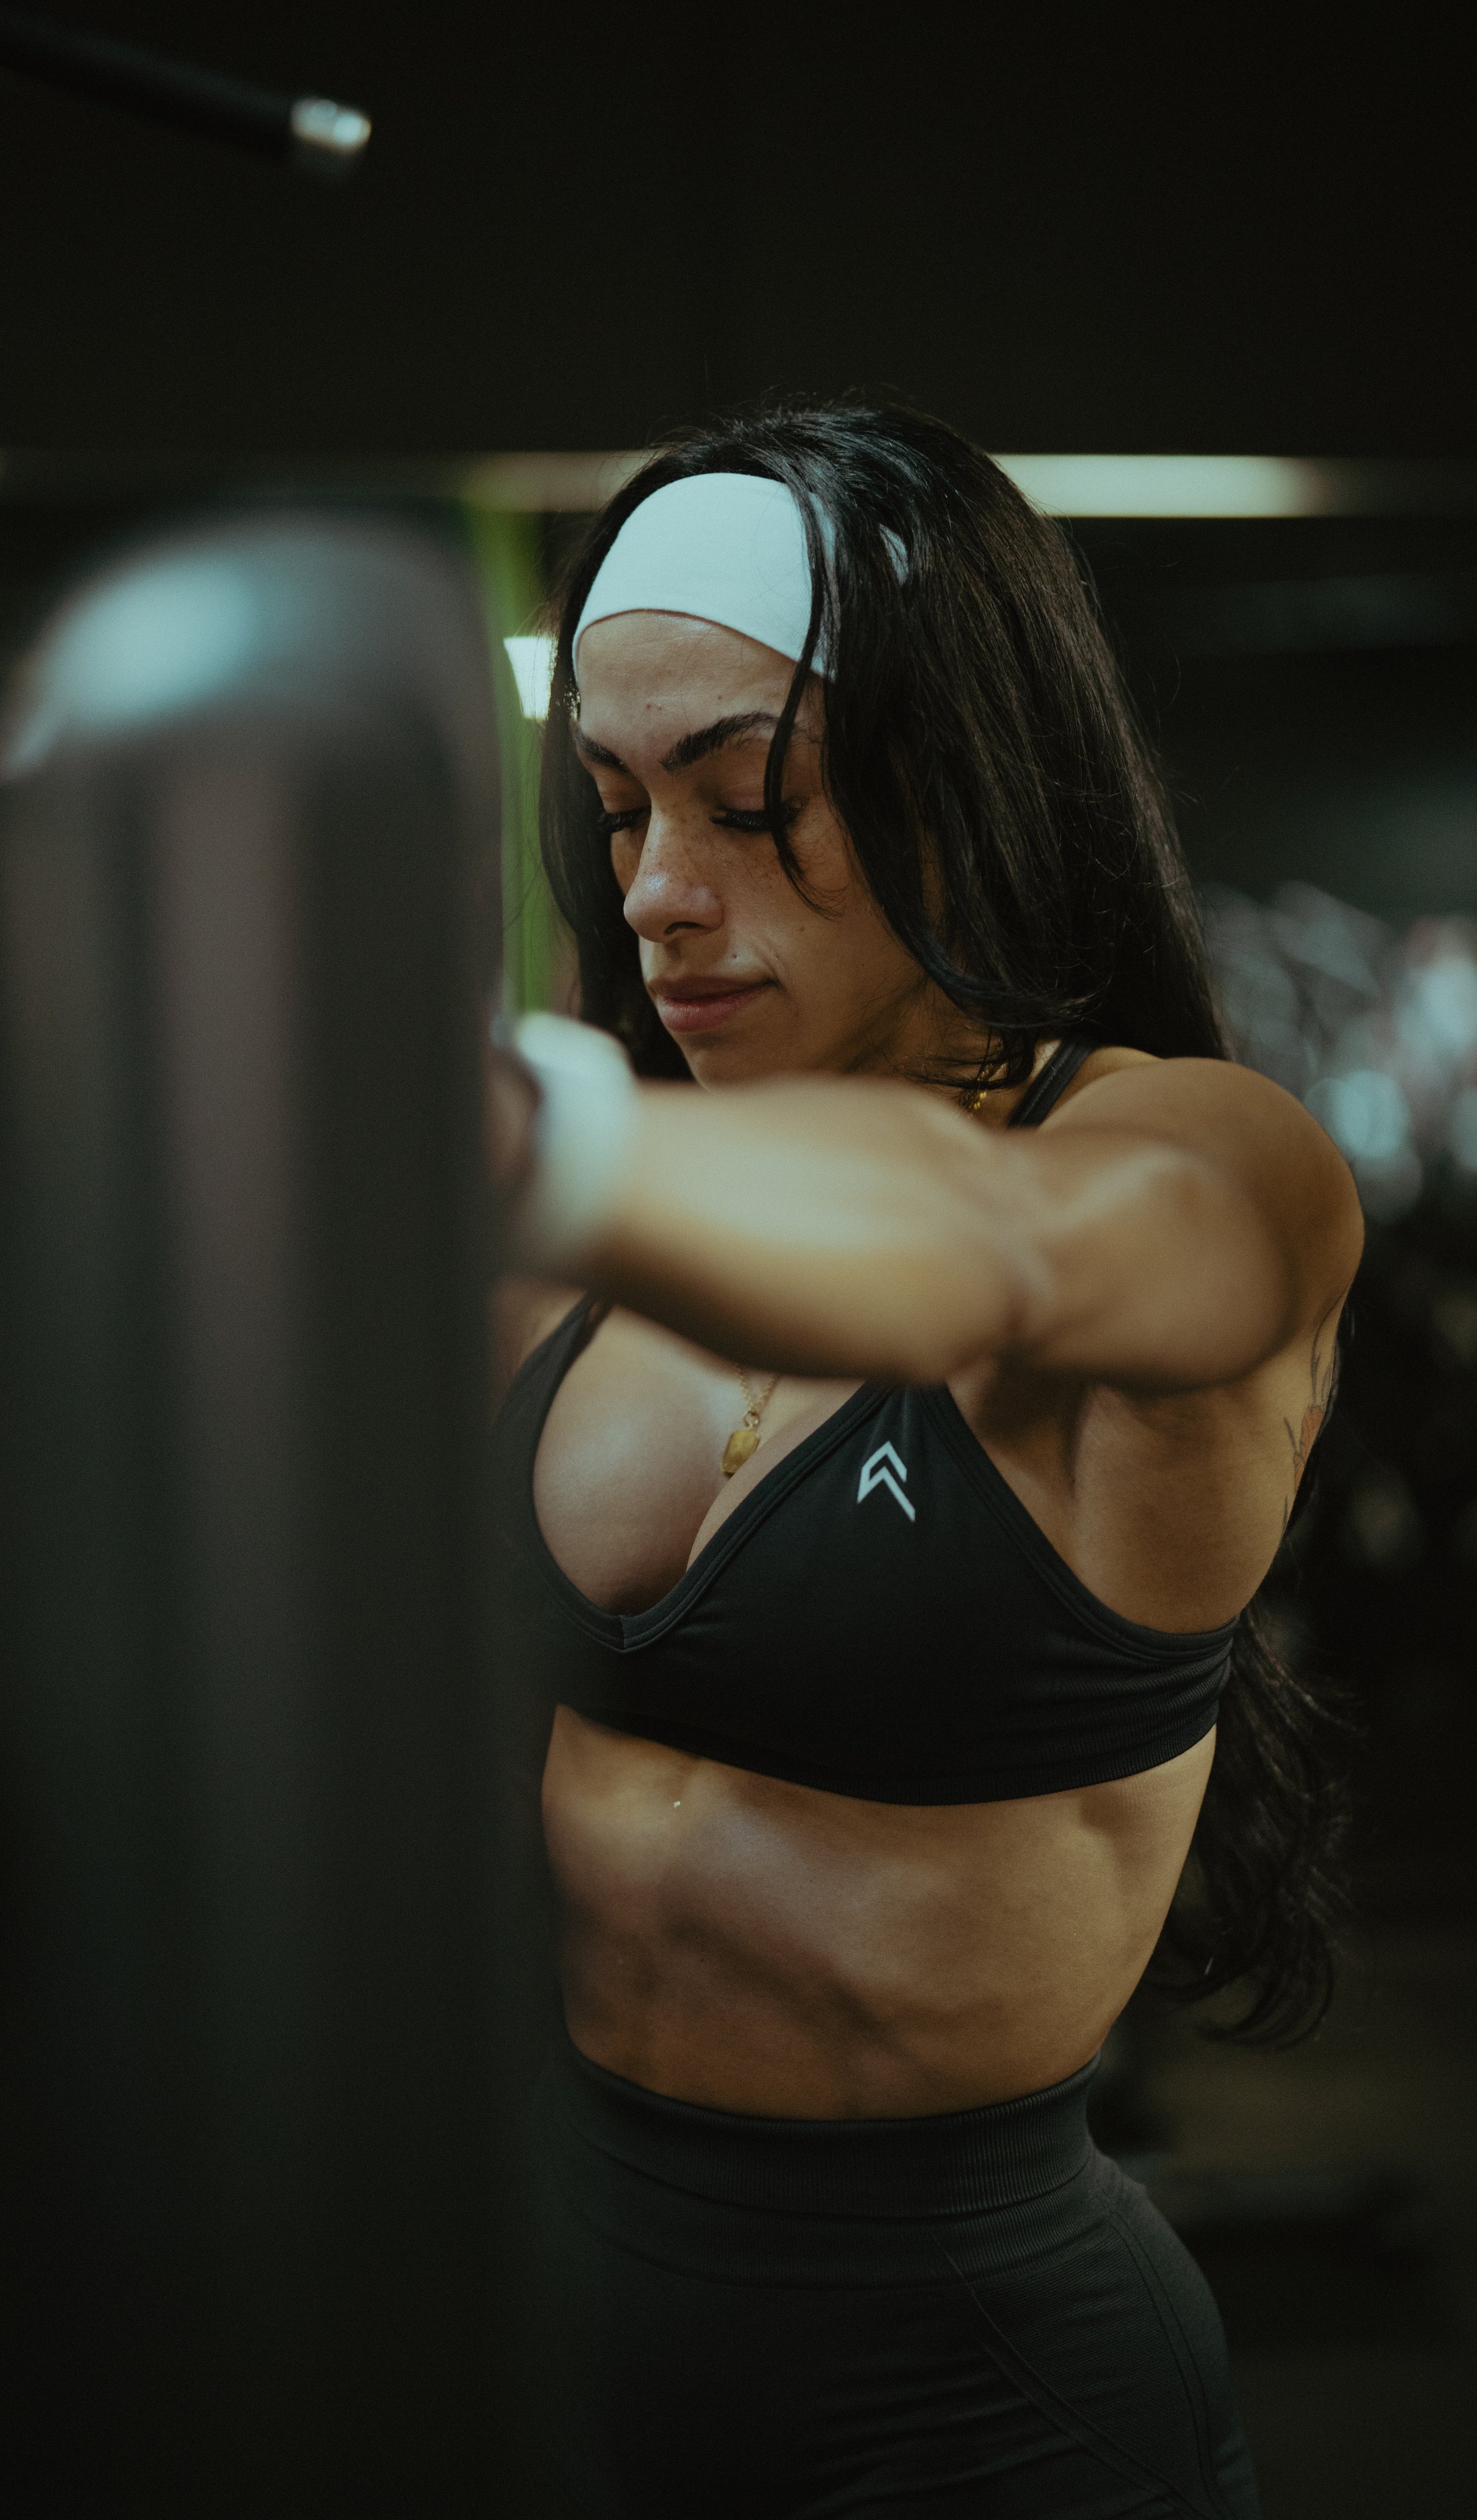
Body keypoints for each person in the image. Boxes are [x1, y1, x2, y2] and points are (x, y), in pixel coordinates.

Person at [491, 404, 1361, 2519]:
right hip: (542, 2322)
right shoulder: (621, 1217)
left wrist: (529, 1137)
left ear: (954, 777)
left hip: (971, 2404)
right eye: (614, 813)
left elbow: (983, 1247)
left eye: (742, 798)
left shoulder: (1194, 1166)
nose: (656, 897)